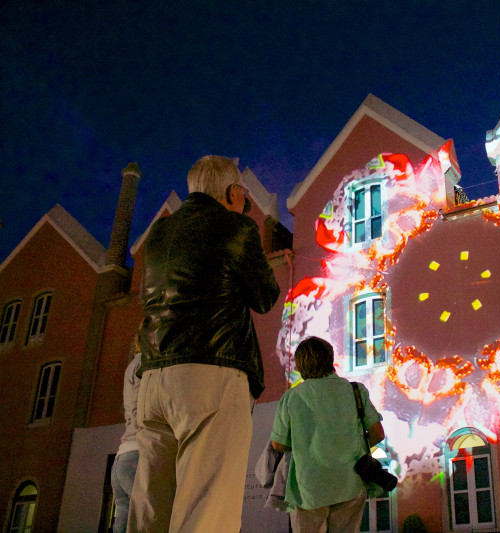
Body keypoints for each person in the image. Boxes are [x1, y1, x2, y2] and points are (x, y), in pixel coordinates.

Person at [129, 155, 281, 533]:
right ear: (232, 193)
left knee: (150, 508)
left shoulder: (159, 235)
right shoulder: (236, 227)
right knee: (206, 509)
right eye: (243, 196)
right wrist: (243, 222)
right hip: (211, 374)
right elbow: (265, 296)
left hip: (153, 378)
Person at [270, 336, 387, 533]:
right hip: (351, 482)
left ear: (300, 366)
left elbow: (278, 445)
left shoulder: (292, 397)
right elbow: (377, 433)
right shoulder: (355, 390)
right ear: (330, 359)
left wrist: (303, 444)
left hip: (308, 487)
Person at [110, 340, 141, 533]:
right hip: (138, 454)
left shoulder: (131, 366)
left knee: (123, 516)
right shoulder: (145, 364)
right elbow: (142, 408)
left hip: (122, 457)